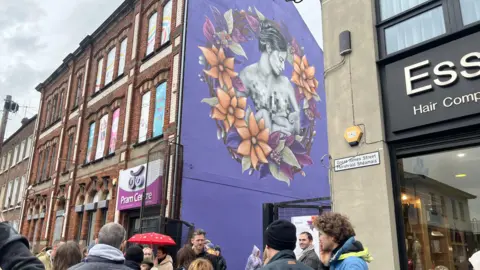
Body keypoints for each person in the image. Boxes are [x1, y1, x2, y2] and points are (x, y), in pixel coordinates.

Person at [239, 20, 300, 135]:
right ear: (269, 47)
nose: (282, 67)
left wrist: (293, 120)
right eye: (281, 60)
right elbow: (235, 114)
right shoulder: (247, 75)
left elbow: (297, 127)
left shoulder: (285, 83)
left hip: (283, 143)